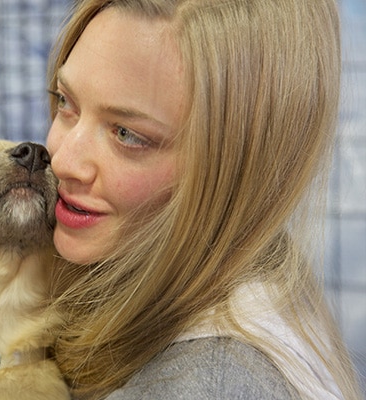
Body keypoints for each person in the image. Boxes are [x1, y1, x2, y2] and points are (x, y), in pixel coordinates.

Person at [44, 0, 363, 399]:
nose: (62, 158)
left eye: (127, 134)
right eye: (65, 101)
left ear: (235, 169)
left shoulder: (209, 384)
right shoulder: (259, 286)